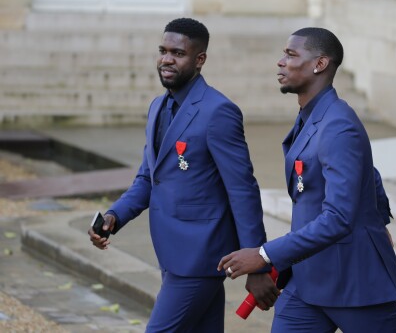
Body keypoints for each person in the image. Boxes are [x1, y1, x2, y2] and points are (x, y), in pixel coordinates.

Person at [88, 18, 279, 332]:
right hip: (169, 253)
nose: (166, 59)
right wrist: (114, 216)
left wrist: (258, 262)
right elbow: (149, 178)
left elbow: (242, 189)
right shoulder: (157, 107)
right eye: (163, 50)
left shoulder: (219, 112)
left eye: (177, 53)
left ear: (199, 59)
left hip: (199, 258)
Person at [218, 27, 396, 332]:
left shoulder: (338, 124)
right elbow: (368, 173)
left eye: (291, 55)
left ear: (320, 64)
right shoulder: (313, 115)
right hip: (306, 282)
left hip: (355, 283)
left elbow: (339, 217)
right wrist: (379, 219)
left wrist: (264, 255)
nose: (281, 62)